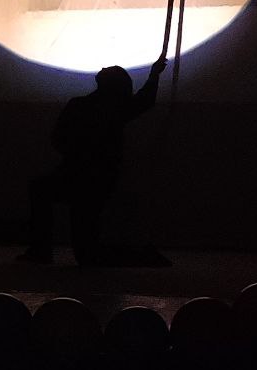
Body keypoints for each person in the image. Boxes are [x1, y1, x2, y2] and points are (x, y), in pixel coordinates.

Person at [16, 57, 167, 266]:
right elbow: (144, 100)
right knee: (87, 252)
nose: (103, 67)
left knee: (86, 252)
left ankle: (41, 250)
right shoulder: (114, 109)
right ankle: (140, 255)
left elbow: (58, 139)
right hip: (95, 179)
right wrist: (154, 75)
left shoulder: (82, 105)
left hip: (81, 178)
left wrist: (75, 155)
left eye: (108, 70)